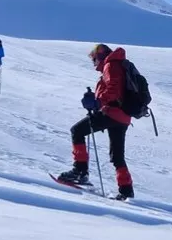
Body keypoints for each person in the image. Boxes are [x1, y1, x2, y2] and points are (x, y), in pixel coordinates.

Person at [55, 44, 136, 200]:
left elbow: (113, 89)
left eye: (94, 59)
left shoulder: (110, 65)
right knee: (117, 155)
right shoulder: (118, 64)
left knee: (77, 131)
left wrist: (98, 102)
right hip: (123, 116)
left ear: (100, 56)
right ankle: (126, 190)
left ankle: (80, 171)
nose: (94, 63)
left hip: (111, 112)